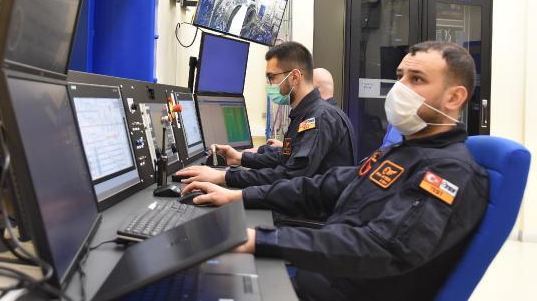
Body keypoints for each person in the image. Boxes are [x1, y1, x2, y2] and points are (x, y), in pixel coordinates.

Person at [181, 41, 489, 301]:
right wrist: (238, 196)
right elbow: (321, 186)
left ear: (454, 97)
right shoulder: (403, 152)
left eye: (417, 79)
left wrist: (260, 240)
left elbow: (381, 247)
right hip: (317, 279)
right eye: (400, 77)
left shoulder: (449, 172)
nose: (400, 88)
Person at [176, 41, 355, 188]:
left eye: (272, 77)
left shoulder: (319, 118)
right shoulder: (306, 114)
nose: (269, 84)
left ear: (294, 77)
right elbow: (286, 158)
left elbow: (290, 176)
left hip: (313, 216)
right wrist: (240, 157)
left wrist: (225, 177)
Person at [247, 67, 343, 154]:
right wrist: (284, 147)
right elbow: (305, 151)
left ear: (313, 89)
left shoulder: (321, 117)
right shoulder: (334, 114)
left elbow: (299, 164)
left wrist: (246, 158)